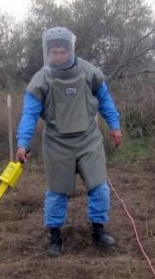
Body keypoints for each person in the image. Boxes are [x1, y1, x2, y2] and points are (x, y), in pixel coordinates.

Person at [16, 26, 122, 257]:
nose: (58, 56)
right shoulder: (40, 80)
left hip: (88, 139)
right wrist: (22, 142)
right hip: (56, 142)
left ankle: (98, 230)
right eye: (54, 52)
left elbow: (105, 100)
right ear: (48, 52)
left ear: (70, 50)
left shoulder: (88, 71)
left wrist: (114, 126)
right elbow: (29, 114)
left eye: (62, 51)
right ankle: (54, 235)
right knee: (56, 192)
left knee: (99, 187)